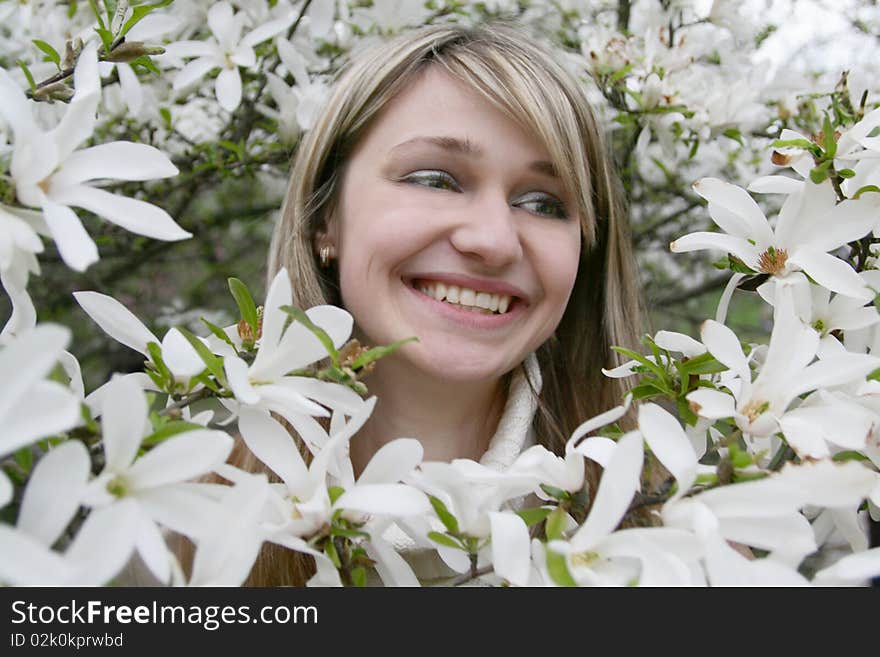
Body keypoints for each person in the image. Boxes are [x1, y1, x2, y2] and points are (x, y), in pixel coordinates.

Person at [236, 20, 643, 586]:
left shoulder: (672, 532)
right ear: (325, 218)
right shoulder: (191, 518)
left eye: (544, 203)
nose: (494, 240)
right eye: (434, 179)